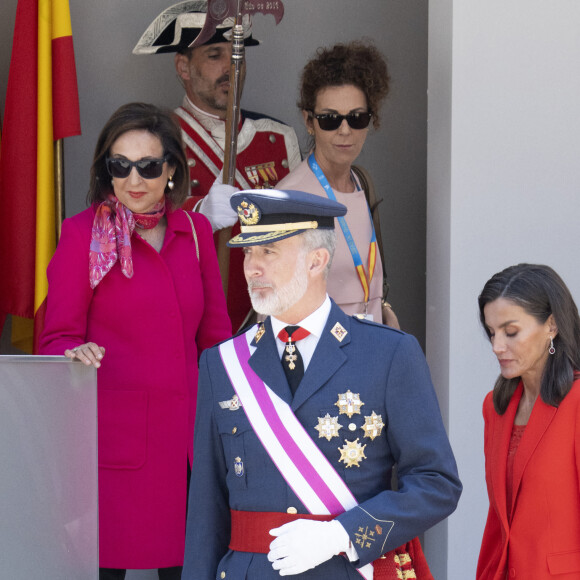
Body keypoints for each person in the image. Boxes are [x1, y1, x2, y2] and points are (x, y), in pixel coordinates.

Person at [182, 188, 462, 579]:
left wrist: (341, 535)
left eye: (269, 251)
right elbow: (205, 508)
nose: (252, 267)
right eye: (249, 252)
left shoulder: (388, 354)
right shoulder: (222, 363)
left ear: (317, 260)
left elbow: (436, 484)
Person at [39, 102, 232, 579]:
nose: (133, 179)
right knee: (108, 570)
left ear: (170, 169)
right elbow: (56, 336)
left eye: (148, 165)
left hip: (189, 443)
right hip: (118, 444)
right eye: (119, 166)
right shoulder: (82, 234)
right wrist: (72, 354)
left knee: (188, 570)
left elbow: (216, 340)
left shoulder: (196, 230)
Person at [133, 0, 302, 330]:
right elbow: (134, 238)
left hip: (269, 329)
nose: (231, 66)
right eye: (215, 55)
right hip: (186, 331)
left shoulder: (278, 138)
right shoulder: (153, 141)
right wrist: (198, 216)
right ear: (183, 67)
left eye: (236, 53)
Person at [277, 41, 398, 327]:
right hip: (322, 359)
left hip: (372, 350)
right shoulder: (289, 199)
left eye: (357, 118)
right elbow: (277, 309)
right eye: (330, 119)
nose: (345, 130)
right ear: (309, 121)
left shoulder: (362, 183)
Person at [477, 264, 580, 580]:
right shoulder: (496, 407)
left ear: (551, 325)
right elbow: (499, 521)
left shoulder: (577, 403)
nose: (497, 346)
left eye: (511, 332)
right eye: (491, 332)